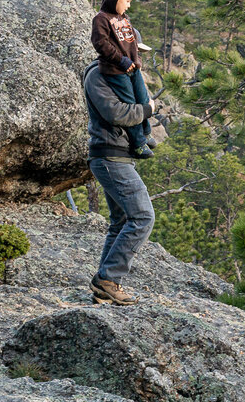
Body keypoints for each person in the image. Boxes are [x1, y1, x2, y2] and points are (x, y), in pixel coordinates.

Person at [83, 58, 164, 305]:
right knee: (142, 217)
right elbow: (116, 113)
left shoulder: (123, 76)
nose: (136, 58)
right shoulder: (98, 74)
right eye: (134, 51)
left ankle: (105, 285)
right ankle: (108, 278)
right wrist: (147, 109)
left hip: (118, 156)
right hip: (110, 157)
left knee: (120, 222)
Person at [91, 0, 154, 158]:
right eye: (126, 1)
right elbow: (101, 44)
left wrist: (137, 62)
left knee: (142, 97)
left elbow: (132, 43)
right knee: (130, 103)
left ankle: (146, 133)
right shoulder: (101, 19)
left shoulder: (124, 18)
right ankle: (138, 144)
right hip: (116, 70)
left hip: (132, 68)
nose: (128, 5)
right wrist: (122, 61)